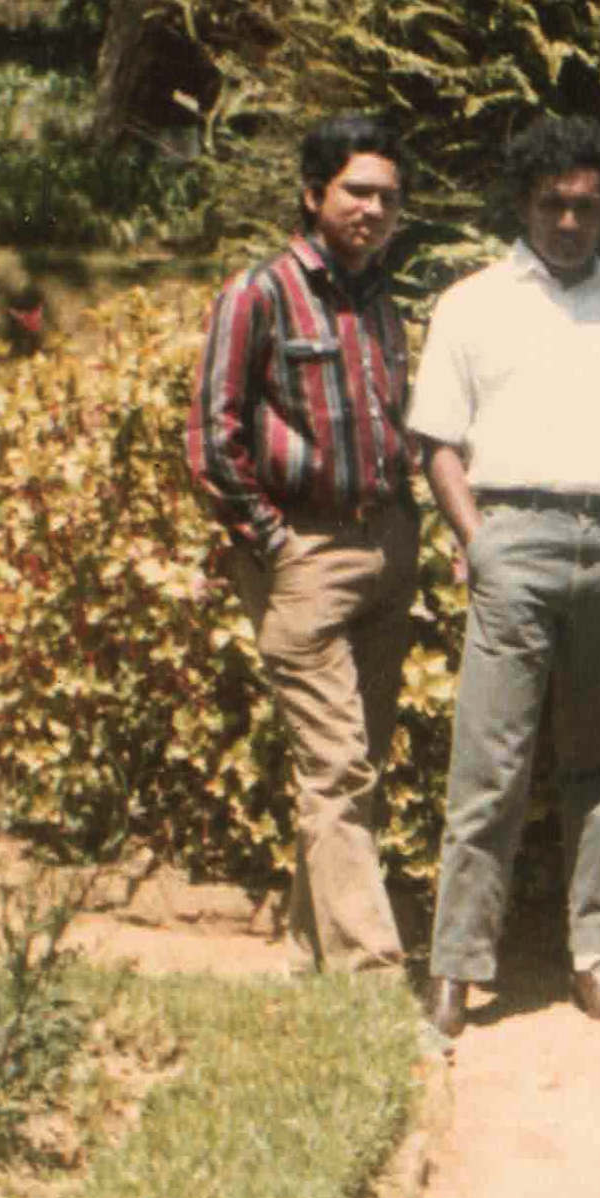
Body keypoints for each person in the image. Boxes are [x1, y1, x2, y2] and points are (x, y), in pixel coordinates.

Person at [408, 115, 600, 1033]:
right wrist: (480, 540)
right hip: (514, 541)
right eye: (551, 204)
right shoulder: (473, 305)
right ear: (524, 205)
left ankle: (593, 953)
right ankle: (456, 966)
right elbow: (438, 440)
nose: (568, 222)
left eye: (586, 207)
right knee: (490, 763)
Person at [185, 112, 419, 980]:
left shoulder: (382, 299)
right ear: (313, 193)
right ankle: (371, 978)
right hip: (306, 555)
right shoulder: (258, 294)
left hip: (386, 547)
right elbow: (210, 438)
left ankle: (309, 959)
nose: (374, 210)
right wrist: (276, 543)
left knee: (356, 770)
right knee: (338, 767)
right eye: (357, 191)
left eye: (388, 196)